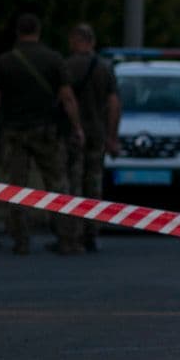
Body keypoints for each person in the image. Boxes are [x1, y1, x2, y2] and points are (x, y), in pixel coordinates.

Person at [0, 14, 85, 255]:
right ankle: (66, 239)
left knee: (17, 187)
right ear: (38, 31)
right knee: (57, 184)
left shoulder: (5, 61)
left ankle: (21, 240)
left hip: (14, 132)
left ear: (18, 32)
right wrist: (77, 127)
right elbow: (67, 98)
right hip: (45, 132)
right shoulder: (53, 59)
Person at [63, 24, 121, 252]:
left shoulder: (66, 67)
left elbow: (65, 99)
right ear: (92, 41)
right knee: (94, 181)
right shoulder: (104, 68)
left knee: (73, 181)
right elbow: (114, 104)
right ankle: (91, 232)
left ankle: (73, 233)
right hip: (98, 132)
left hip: (73, 133)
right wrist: (112, 136)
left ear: (76, 40)